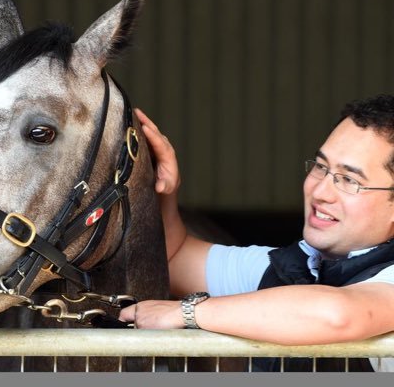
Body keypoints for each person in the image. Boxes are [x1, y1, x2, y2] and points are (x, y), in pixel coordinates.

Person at [119, 95, 394, 371]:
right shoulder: (280, 269)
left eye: (349, 180)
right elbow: (173, 259)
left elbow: (336, 315)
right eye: (321, 167)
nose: (320, 192)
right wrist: (164, 189)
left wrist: (187, 312)